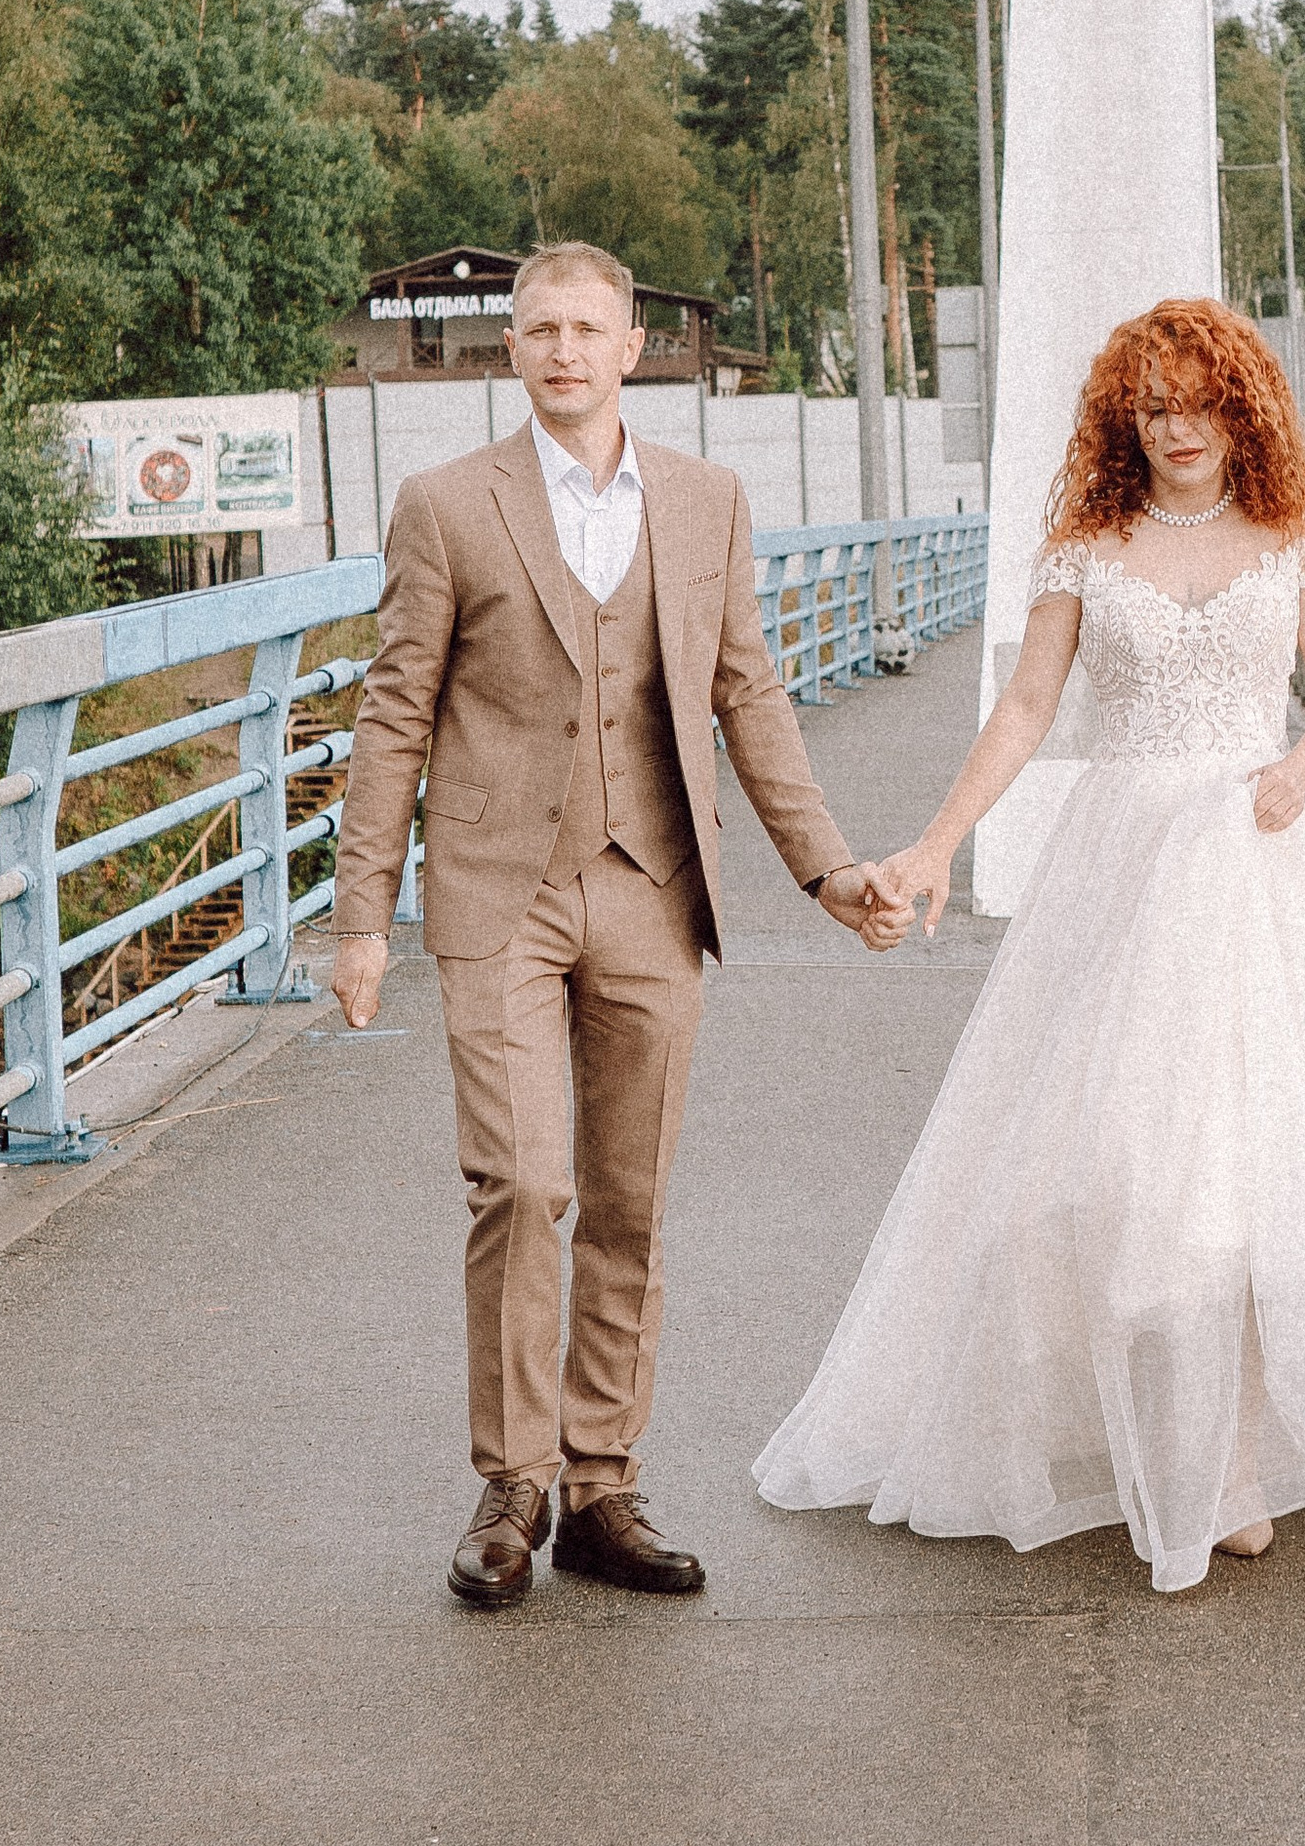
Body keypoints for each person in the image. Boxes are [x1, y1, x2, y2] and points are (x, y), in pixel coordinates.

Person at [754, 297, 1305, 1595]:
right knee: (1133, 1174)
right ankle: (1198, 1455)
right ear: (1126, 422)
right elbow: (1026, 709)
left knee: (1285, 1166)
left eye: (1200, 403)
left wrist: (1300, 768)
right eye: (1155, 408)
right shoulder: (1087, 544)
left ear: (1241, 407)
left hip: (1263, 854)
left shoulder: (1294, 529)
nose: (1179, 428)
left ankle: (1268, 1437)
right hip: (1125, 868)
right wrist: (934, 843)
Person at [333, 241, 901, 1613]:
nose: (566, 351)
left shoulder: (708, 501)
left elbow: (748, 696)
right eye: (541, 330)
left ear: (632, 346)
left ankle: (602, 1485)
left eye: (589, 329)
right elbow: (394, 712)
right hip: (497, 895)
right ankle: (511, 1485)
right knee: (524, 1184)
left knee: (631, 1201)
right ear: (512, 350)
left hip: (652, 888)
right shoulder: (446, 504)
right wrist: (360, 920)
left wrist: (828, 873)